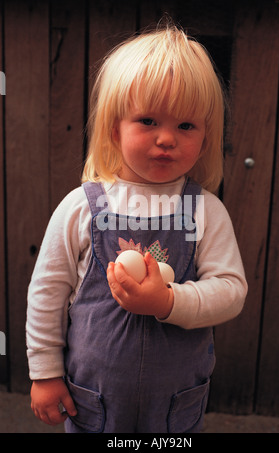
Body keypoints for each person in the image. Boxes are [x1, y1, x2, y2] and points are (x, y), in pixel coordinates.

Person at [26, 23, 248, 433]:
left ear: (205, 136)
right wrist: (44, 372)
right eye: (148, 120)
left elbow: (231, 291)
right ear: (115, 128)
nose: (167, 139)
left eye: (186, 126)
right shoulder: (82, 207)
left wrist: (167, 302)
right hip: (94, 397)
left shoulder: (205, 210)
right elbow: (48, 291)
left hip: (174, 402)